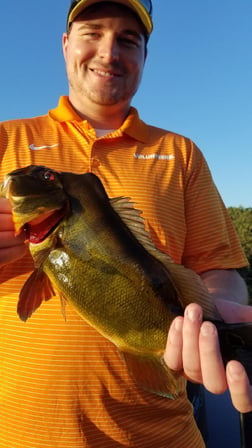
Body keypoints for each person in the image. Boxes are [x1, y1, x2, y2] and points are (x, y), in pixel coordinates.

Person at [0, 1, 251, 447]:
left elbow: (218, 270)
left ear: (143, 57)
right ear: (64, 44)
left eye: (128, 40)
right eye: (92, 32)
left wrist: (207, 316)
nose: (108, 51)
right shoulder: (6, 139)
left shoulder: (182, 154)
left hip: (163, 434)